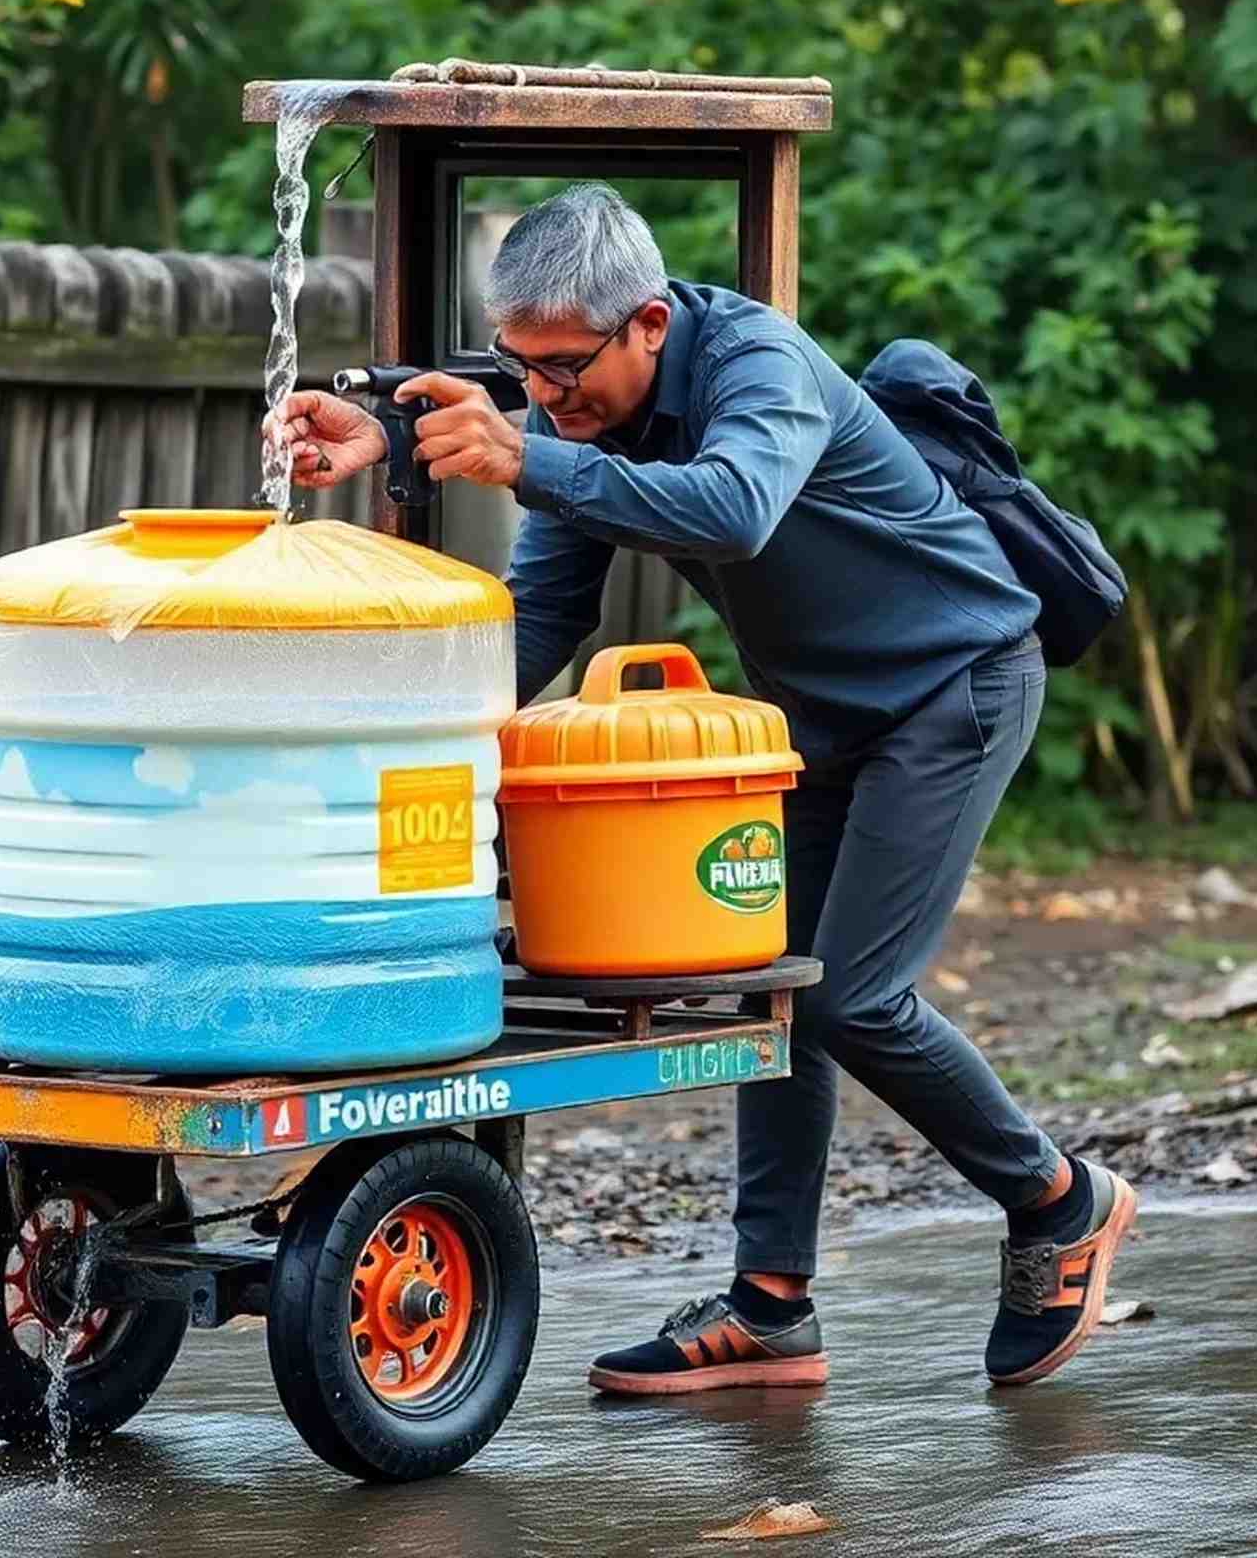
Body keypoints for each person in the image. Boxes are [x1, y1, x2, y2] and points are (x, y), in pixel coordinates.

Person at [272, 182, 1136, 1394]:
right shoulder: (573, 419)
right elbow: (552, 615)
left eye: (566, 367)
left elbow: (733, 509)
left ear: (650, 326)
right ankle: (772, 1307)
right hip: (824, 721)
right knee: (773, 991)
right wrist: (433, 742)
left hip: (955, 686)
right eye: (523, 369)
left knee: (853, 997)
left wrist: (526, 454)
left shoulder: (758, 364)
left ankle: (1058, 1198)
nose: (548, 394)